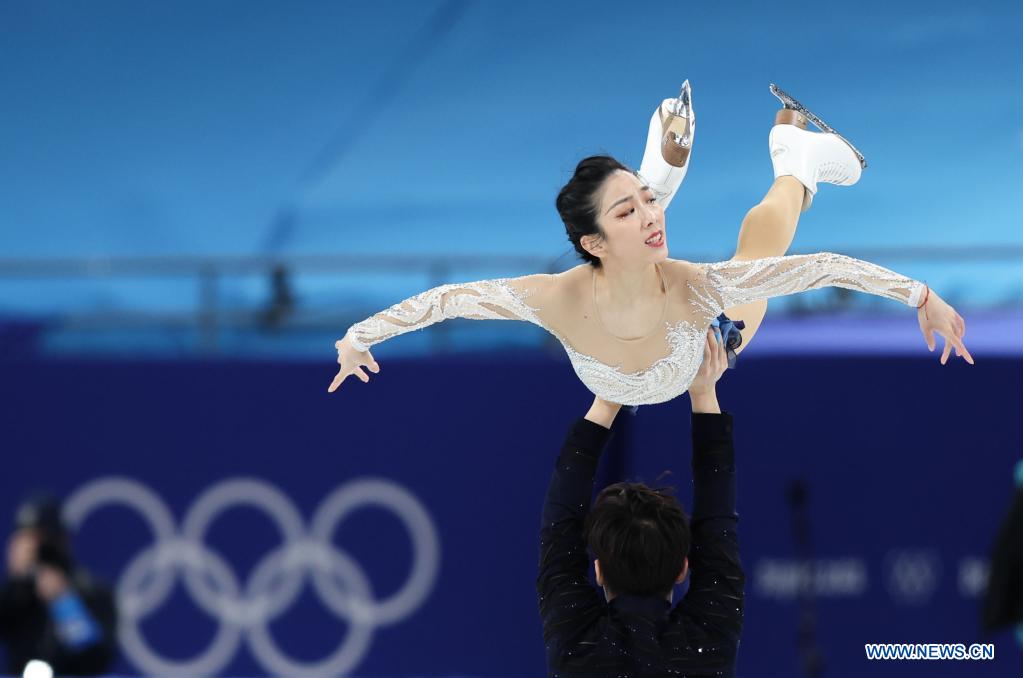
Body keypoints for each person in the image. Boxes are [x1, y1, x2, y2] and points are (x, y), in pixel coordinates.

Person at [329, 82, 972, 405]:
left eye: (645, 202)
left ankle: (790, 161)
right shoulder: (555, 298)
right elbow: (448, 301)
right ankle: (755, 158)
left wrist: (918, 294)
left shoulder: (694, 287)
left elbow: (820, 269)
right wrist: (360, 335)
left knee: (761, 258)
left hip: (707, 337)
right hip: (640, 356)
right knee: (747, 252)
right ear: (591, 241)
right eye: (629, 209)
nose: (649, 217)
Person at [537, 327, 742, 675]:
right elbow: (560, 528)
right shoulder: (576, 643)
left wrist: (610, 397)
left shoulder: (578, 644)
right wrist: (607, 400)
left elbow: (717, 519)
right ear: (682, 569)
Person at [0, 496, 117, 676]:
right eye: (29, 538)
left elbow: (96, 659)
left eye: (44, 540)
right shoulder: (15, 594)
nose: (39, 549)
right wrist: (16, 580)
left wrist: (64, 602)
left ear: (62, 542)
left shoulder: (91, 591)